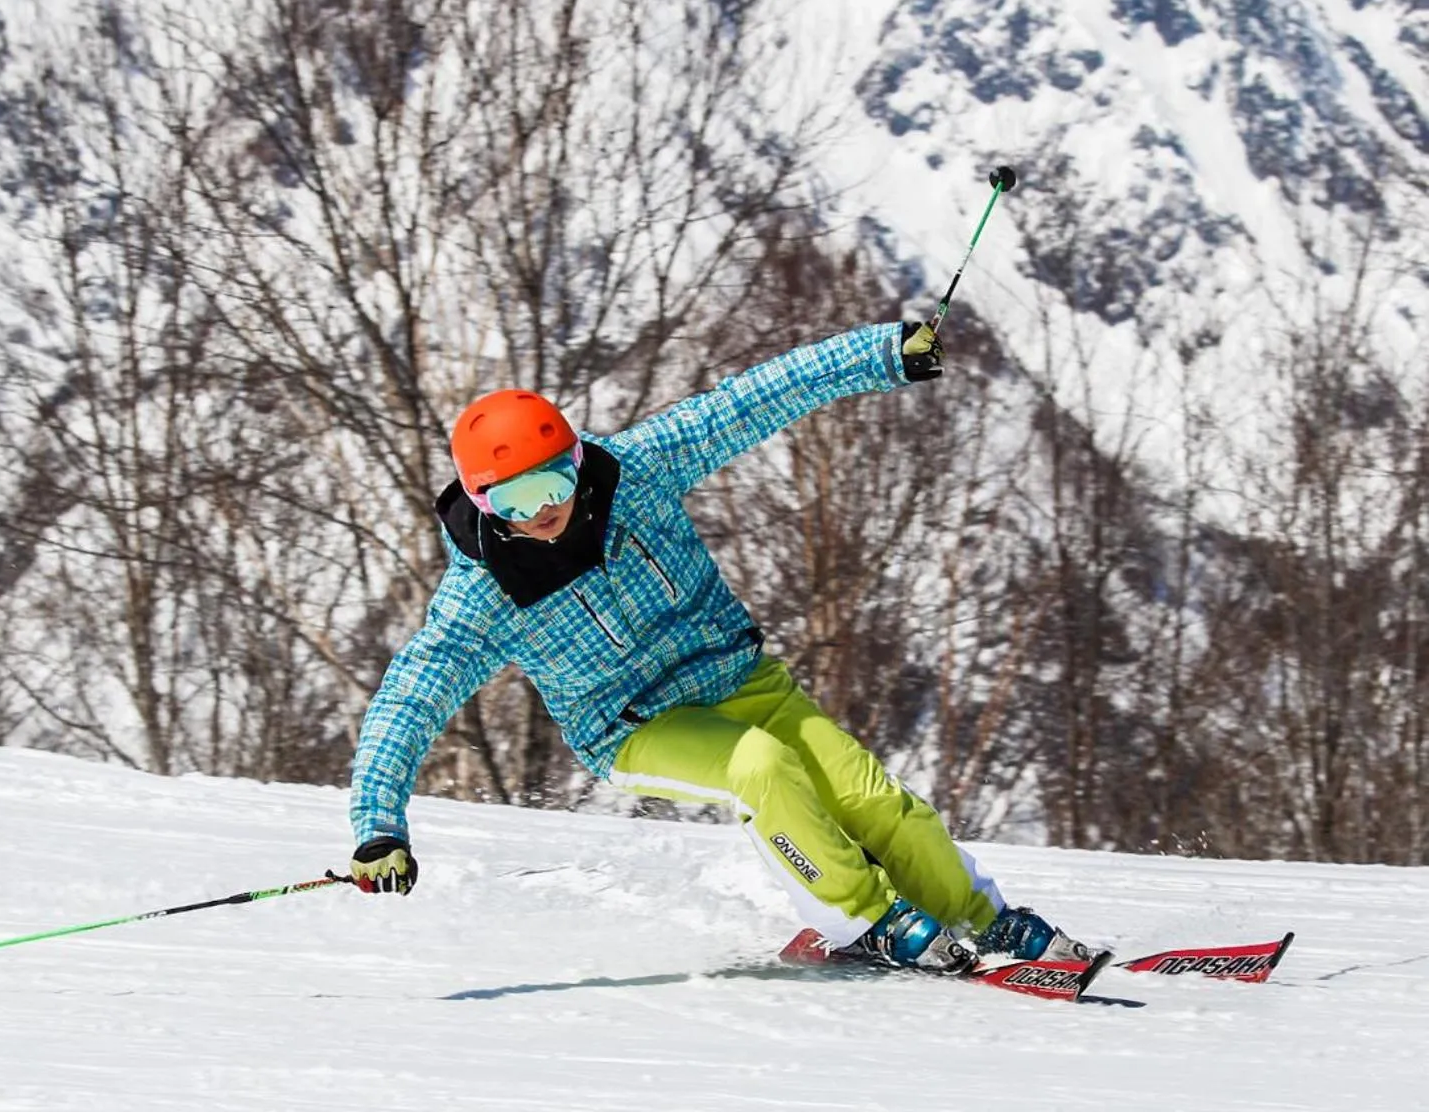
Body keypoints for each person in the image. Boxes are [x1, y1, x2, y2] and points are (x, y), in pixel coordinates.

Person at [343, 318, 1088, 970]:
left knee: (870, 798)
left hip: (739, 676)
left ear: (577, 462)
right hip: (634, 725)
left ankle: (982, 919)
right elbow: (410, 699)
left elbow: (750, 401)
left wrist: (883, 353)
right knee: (758, 767)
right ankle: (863, 919)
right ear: (482, 502)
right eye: (515, 499)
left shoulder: (636, 474)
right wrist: (379, 829)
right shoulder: (485, 595)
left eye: (556, 483)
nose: (544, 511)